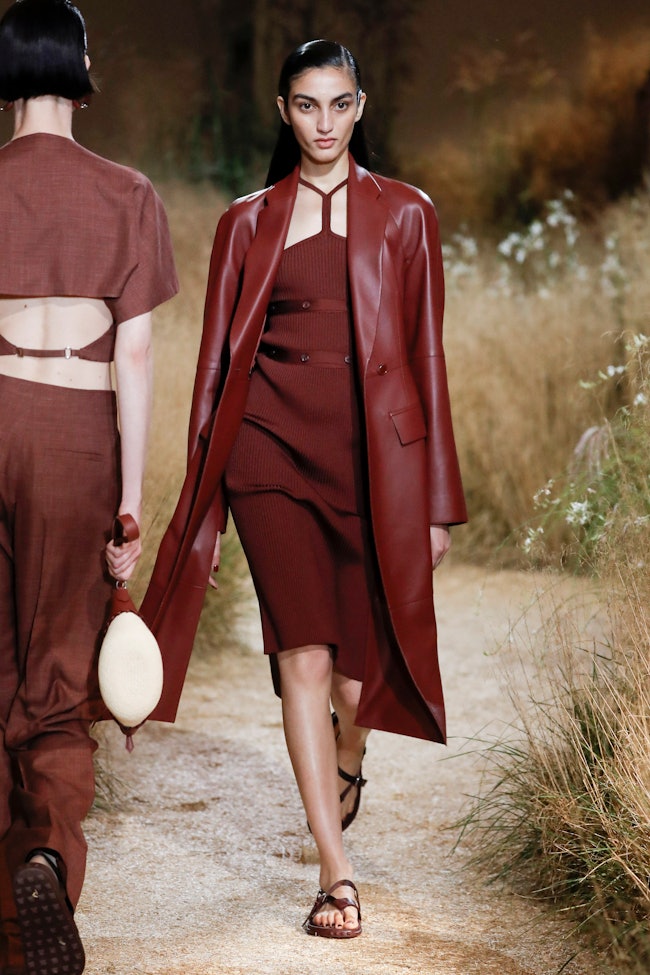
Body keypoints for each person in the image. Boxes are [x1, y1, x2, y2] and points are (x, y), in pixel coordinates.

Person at [141, 39, 466, 939]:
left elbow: (428, 361)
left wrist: (438, 499)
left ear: (359, 109)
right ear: (284, 112)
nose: (323, 122)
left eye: (339, 104)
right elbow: (213, 367)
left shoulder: (407, 215)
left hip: (373, 465)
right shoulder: (247, 221)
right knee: (304, 656)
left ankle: (349, 756)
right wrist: (201, 503)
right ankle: (337, 869)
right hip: (268, 453)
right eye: (306, 105)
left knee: (360, 687)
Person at [0, 2, 178, 972]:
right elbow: (136, 356)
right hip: (73, 432)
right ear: (77, 68)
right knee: (58, 680)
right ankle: (44, 854)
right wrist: (130, 503)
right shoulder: (127, 194)